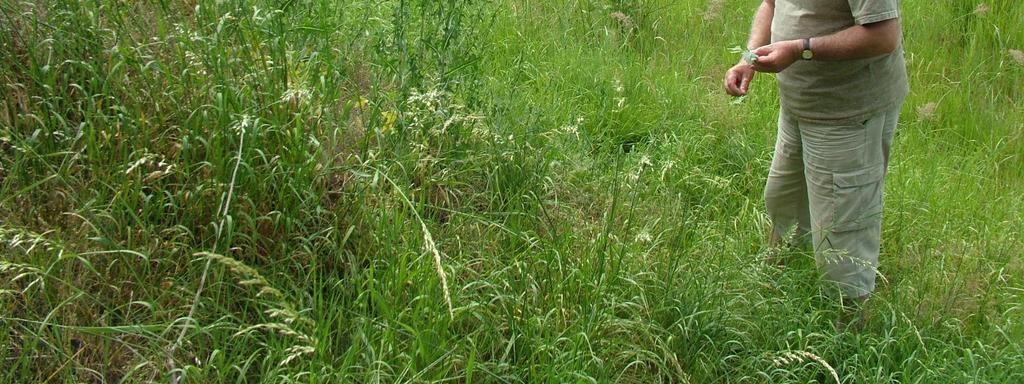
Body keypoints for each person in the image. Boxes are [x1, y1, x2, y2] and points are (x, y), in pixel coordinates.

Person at [723, 0, 908, 330]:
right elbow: (771, 3)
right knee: (783, 200)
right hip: (798, 107)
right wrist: (749, 58)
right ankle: (780, 282)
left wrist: (800, 49)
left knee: (842, 236)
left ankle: (847, 334)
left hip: (847, 115)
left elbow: (883, 36)